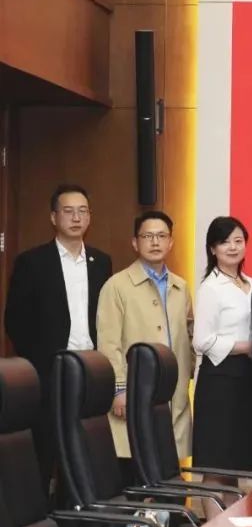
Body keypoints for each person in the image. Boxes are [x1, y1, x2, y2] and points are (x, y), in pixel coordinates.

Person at [4, 184, 112, 500]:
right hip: (49, 371)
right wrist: (38, 365)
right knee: (45, 449)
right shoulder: (33, 261)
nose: (76, 218)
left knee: (85, 453)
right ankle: (38, 520)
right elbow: (16, 321)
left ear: (89, 217)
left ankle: (76, 519)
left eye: (82, 211)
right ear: (54, 217)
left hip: (91, 370)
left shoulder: (101, 262)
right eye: (68, 211)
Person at [97, 211, 193, 480]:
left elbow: (188, 337)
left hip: (173, 394)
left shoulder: (181, 287)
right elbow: (108, 343)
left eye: (161, 236)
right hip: (133, 394)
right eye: (147, 236)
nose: (155, 242)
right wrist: (119, 388)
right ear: (135, 243)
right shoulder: (116, 286)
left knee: (170, 477)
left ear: (171, 242)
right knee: (135, 475)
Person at [191, 216, 252, 513]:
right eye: (224, 242)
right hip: (219, 380)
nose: (232, 247)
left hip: (247, 380)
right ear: (212, 249)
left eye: (238, 241)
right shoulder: (211, 287)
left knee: (235, 465)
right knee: (215, 464)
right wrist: (248, 347)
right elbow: (202, 341)